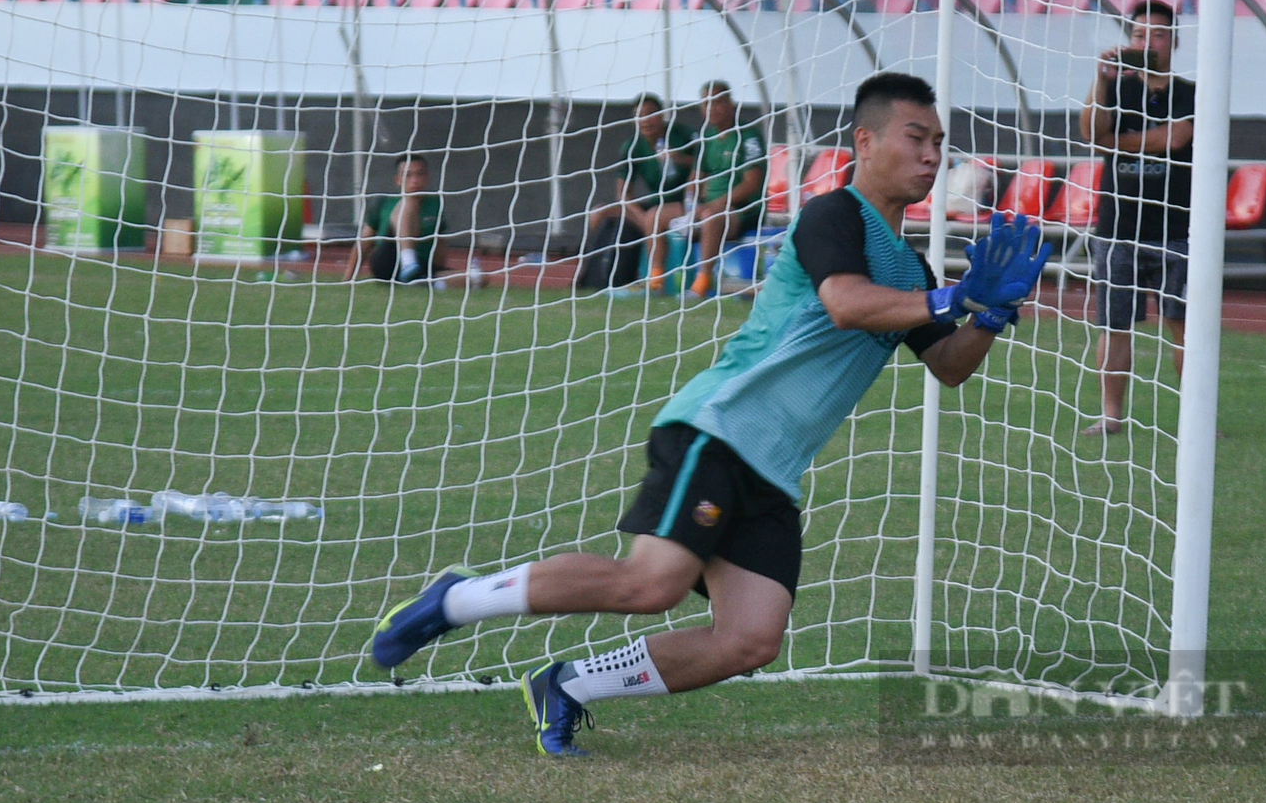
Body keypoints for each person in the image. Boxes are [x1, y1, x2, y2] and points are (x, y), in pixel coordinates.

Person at [367, 72, 1052, 756]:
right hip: (719, 431)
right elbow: (847, 301)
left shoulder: (912, 269)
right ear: (865, 140)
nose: (933, 155)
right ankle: (455, 599)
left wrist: (988, 314)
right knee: (650, 582)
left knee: (750, 639)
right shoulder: (834, 215)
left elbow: (950, 365)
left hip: (774, 472)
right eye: (917, 137)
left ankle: (567, 686)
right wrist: (951, 298)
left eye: (939, 142)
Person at [1078, 0, 1196, 437]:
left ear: (1175, 42)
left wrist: (1120, 142)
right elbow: (1092, 134)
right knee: (1113, 325)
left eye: (1159, 35)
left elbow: (1179, 137)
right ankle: (1111, 415)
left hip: (1178, 230)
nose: (1149, 43)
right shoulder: (1117, 88)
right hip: (1118, 230)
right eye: (1140, 35)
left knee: (1184, 327)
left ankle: (1194, 419)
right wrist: (1102, 80)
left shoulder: (1191, 92)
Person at [596, 93, 696, 293]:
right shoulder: (632, 146)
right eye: (639, 115)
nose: (645, 120)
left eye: (650, 114)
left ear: (662, 116)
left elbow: (705, 167)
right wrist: (641, 218)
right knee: (599, 212)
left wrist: (678, 158)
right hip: (654, 204)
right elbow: (623, 194)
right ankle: (595, 274)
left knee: (654, 216)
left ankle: (655, 279)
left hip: (685, 203)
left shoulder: (683, 135)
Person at [686, 80, 767, 299]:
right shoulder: (707, 138)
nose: (711, 109)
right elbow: (695, 179)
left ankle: (702, 282)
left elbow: (751, 184)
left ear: (731, 104)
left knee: (712, 217)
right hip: (708, 207)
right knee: (657, 215)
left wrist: (715, 205)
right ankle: (656, 280)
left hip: (743, 211)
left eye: (717, 102)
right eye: (706, 104)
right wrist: (690, 204)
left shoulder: (748, 136)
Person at [350, 153, 444, 283]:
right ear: (398, 180)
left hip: (420, 266)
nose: (414, 180)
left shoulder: (436, 204)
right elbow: (365, 241)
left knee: (475, 278)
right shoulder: (384, 202)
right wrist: (348, 278)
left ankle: (422, 282)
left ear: (427, 177)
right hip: (388, 259)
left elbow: (439, 243)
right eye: (408, 175)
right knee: (409, 201)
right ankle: (408, 261)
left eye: (419, 174)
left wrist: (438, 270)